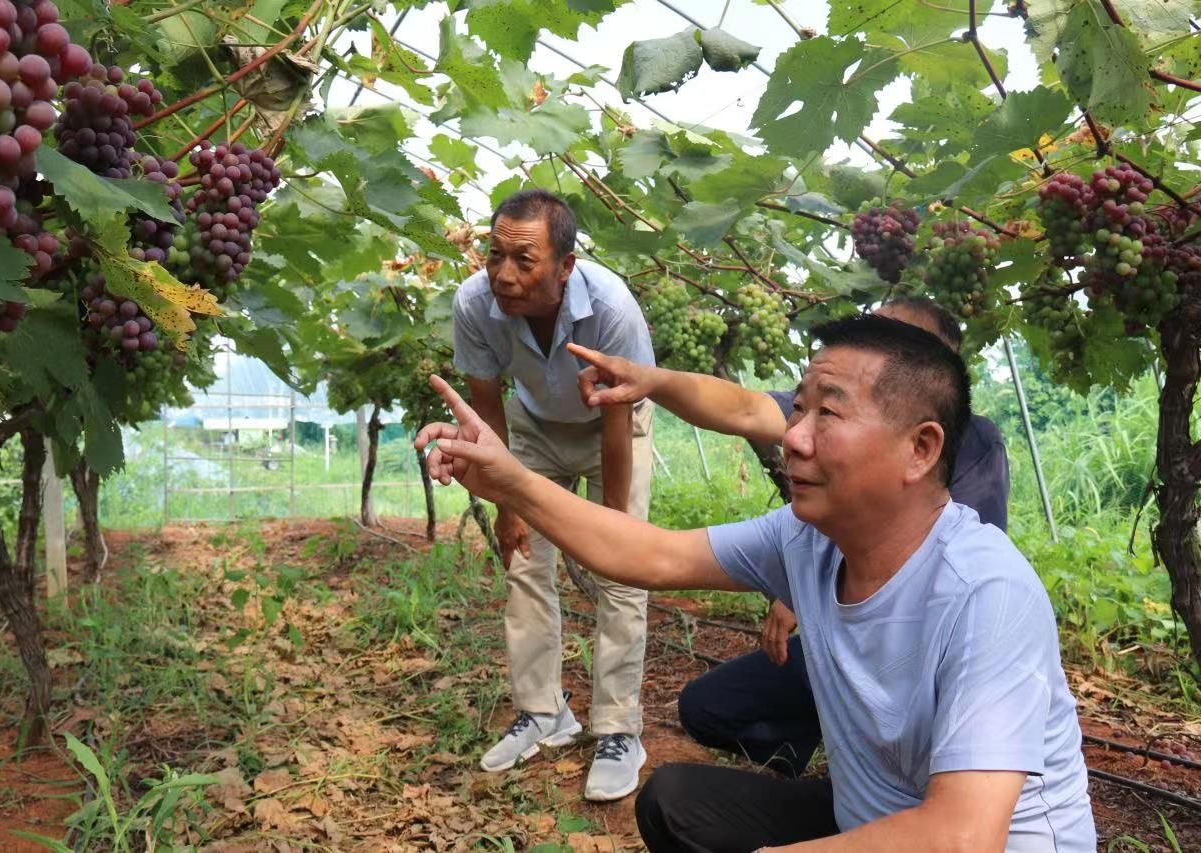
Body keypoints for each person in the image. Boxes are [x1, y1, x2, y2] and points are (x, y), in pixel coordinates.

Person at [416, 314, 1094, 851]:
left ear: (920, 448)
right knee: (677, 802)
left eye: (828, 413)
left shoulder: (985, 590)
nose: (794, 437)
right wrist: (513, 481)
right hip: (874, 816)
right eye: (797, 410)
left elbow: (960, 838)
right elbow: (650, 554)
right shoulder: (806, 538)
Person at [571, 297, 1010, 777]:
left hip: (917, 654)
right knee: (704, 714)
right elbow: (742, 411)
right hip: (841, 645)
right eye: (802, 411)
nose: (797, 437)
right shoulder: (823, 424)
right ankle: (830, 763)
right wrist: (650, 381)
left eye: (893, 342)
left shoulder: (983, 580)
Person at [450, 189, 656, 801]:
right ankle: (544, 713)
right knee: (524, 564)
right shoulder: (473, 304)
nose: (503, 276)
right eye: (495, 256)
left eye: (524, 261)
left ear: (566, 266)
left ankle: (620, 727)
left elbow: (617, 418)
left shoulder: (612, 307)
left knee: (623, 571)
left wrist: (613, 526)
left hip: (610, 429)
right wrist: (507, 505)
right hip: (531, 430)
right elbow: (486, 413)